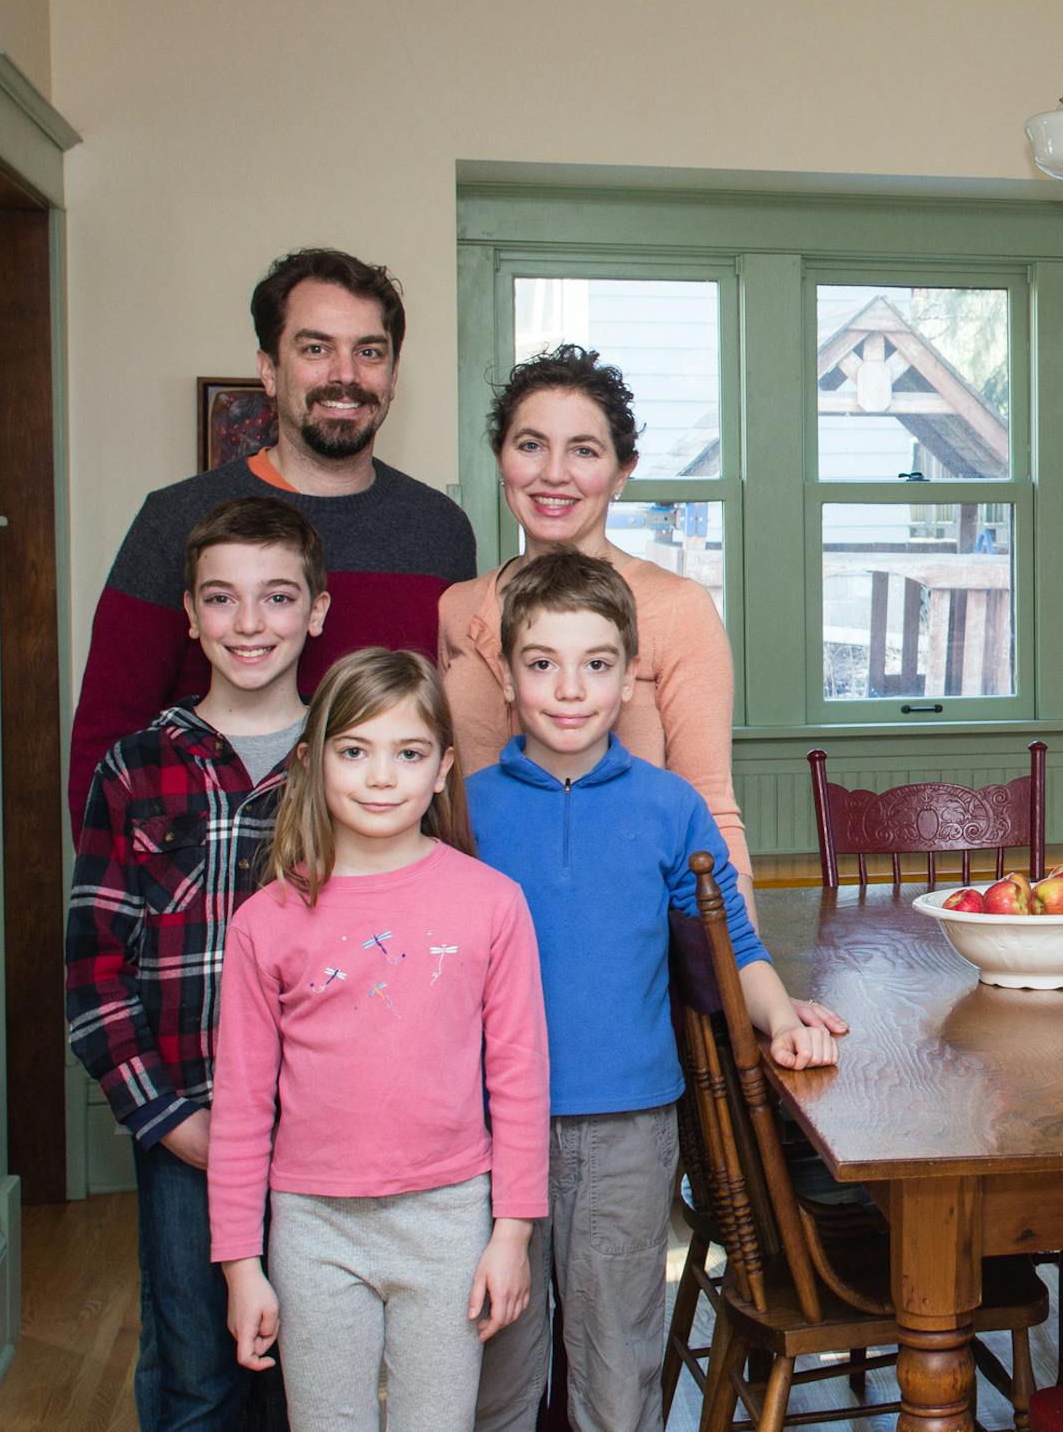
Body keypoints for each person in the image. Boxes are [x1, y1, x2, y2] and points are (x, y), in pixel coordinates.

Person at [464, 552, 836, 1432]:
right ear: (507, 675)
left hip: (628, 1124)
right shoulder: (460, 807)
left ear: (629, 676)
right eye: (541, 663)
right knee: (494, 1366)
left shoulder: (669, 807)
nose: (568, 688)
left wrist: (782, 1016)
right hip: (482, 1127)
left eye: (595, 664)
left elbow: (730, 944)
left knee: (616, 1357)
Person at [207, 649, 549, 1432]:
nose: (381, 776)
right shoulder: (266, 921)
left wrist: (513, 1231)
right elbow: (241, 1103)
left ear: (443, 769)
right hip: (312, 1226)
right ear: (313, 763)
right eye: (355, 751)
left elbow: (521, 1076)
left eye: (409, 753)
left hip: (452, 1217)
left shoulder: (492, 904)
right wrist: (240, 1265)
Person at [64, 496, 328, 1432]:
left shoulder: (350, 769)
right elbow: (92, 974)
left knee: (307, 1376)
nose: (250, 624)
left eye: (277, 598)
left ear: (318, 610)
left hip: (323, 1135)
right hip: (187, 1125)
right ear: (189, 614)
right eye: (222, 599)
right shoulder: (135, 769)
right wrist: (171, 1123)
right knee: (196, 1373)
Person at [69, 247, 478, 836]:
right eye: (315, 349)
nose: (345, 374)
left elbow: (446, 720)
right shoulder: (176, 518)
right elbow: (108, 727)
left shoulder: (439, 528)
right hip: (205, 868)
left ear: (392, 374)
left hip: (379, 875)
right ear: (269, 369)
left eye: (369, 352)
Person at [437, 344, 754, 905]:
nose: (553, 474)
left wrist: (740, 984)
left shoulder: (677, 607)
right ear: (500, 457)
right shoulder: (457, 608)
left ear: (621, 471)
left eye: (583, 450)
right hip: (476, 923)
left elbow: (711, 808)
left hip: (627, 929)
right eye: (531, 445)